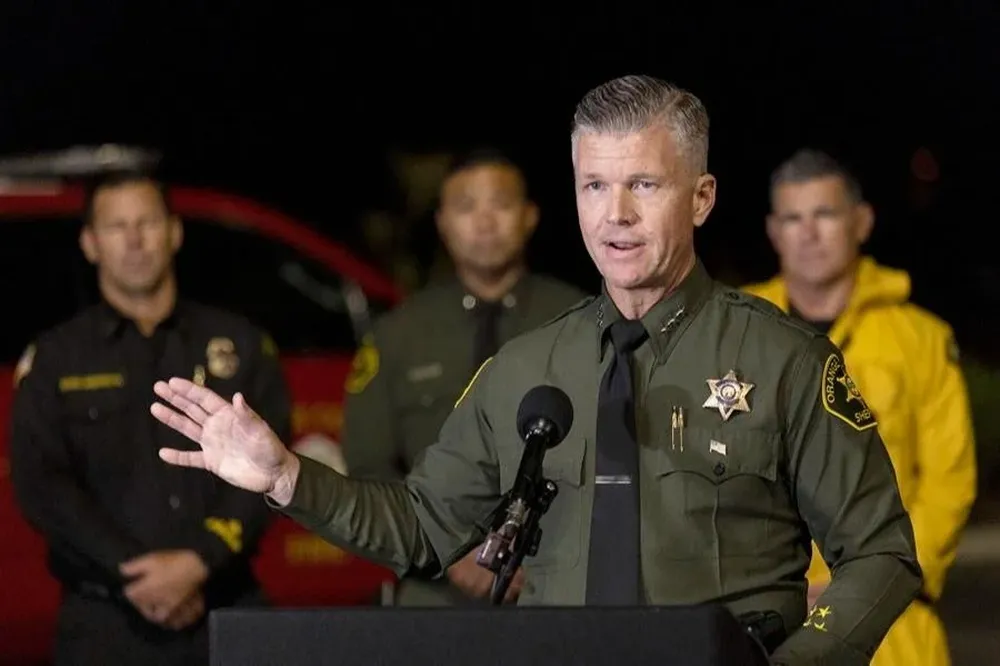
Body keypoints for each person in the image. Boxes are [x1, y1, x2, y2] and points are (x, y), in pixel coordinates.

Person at [150, 75, 921, 665]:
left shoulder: (784, 360)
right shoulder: (525, 368)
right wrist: (286, 475)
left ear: (702, 198)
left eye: (643, 185)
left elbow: (880, 551)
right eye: (594, 185)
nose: (614, 214)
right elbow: (422, 528)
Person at [9, 170, 292, 666]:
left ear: (174, 232)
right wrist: (133, 571)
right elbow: (42, 485)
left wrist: (200, 560)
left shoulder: (240, 345)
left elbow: (270, 467)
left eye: (147, 222)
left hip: (225, 608)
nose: (135, 240)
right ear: (91, 243)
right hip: (102, 622)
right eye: (117, 227)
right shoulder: (56, 359)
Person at [743, 148, 976, 666]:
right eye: (792, 218)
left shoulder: (921, 338)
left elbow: (949, 480)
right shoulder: (735, 332)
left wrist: (864, 586)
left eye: (824, 214)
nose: (808, 233)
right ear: (773, 231)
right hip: (760, 617)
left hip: (891, 618)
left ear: (862, 222)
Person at [340, 147, 587, 606]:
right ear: (443, 224)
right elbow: (369, 466)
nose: (484, 221)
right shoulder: (400, 333)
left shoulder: (580, 322)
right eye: (466, 207)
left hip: (554, 585)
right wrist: (448, 548)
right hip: (433, 589)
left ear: (530, 216)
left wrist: (530, 554)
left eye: (500, 204)